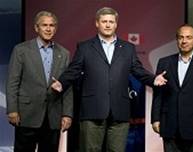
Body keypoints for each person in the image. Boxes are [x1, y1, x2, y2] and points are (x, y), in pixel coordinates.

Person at [51, 7, 167, 152]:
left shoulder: (128, 48)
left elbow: (137, 70)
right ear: (97, 23)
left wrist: (153, 79)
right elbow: (74, 70)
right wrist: (61, 83)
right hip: (92, 110)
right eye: (104, 21)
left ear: (116, 24)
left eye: (111, 22)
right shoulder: (85, 47)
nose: (107, 25)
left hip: (119, 111)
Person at [6, 11, 73, 152]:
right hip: (26, 114)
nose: (48, 29)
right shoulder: (21, 50)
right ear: (36, 28)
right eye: (44, 25)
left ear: (56, 28)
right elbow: (12, 82)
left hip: (53, 116)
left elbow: (68, 87)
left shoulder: (64, 54)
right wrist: (12, 110)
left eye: (52, 25)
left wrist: (67, 114)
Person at [151, 24, 193, 152]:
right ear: (177, 40)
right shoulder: (164, 62)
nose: (184, 41)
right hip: (169, 124)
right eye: (181, 37)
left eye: (188, 37)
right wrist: (155, 118)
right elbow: (158, 94)